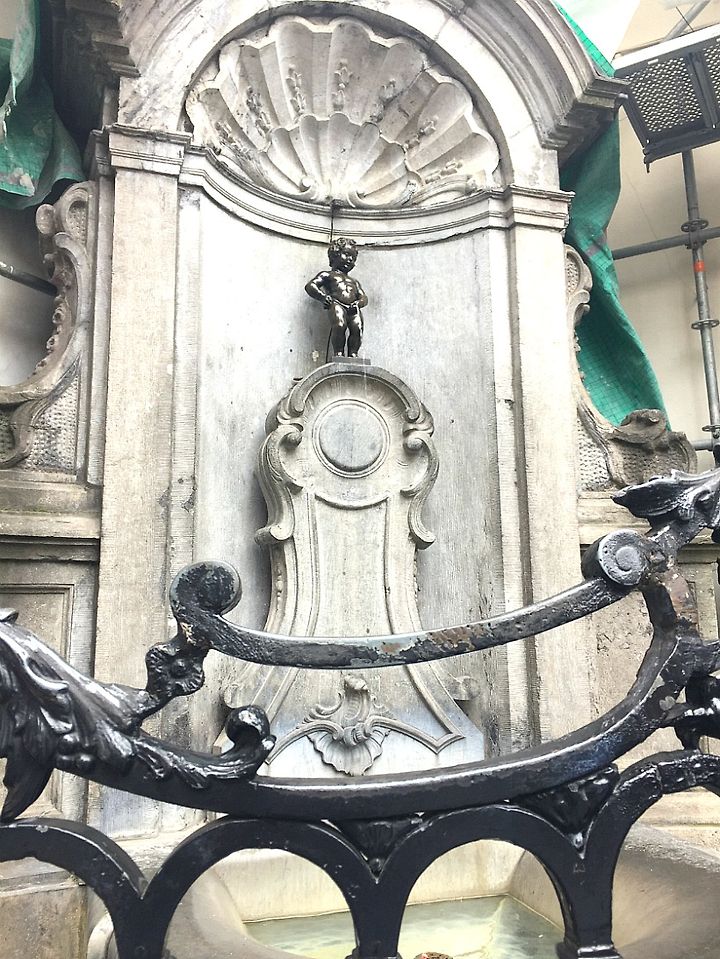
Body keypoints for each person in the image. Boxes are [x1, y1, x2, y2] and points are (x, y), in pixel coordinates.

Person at [305, 237, 368, 357]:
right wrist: (323, 297)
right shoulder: (327, 275)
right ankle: (338, 353)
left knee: (358, 328)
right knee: (339, 325)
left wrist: (359, 303)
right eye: (347, 255)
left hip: (353, 307)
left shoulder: (354, 281)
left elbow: (364, 297)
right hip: (337, 304)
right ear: (335, 255)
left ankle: (353, 354)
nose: (350, 259)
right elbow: (310, 286)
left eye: (353, 257)